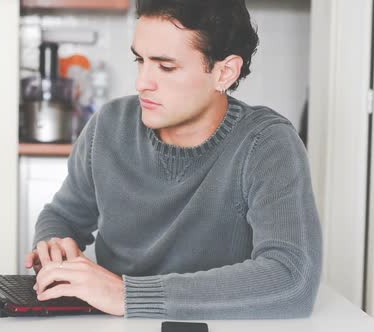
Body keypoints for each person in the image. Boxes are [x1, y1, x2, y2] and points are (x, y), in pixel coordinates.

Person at [24, 0, 322, 319]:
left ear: (224, 72)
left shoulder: (266, 144)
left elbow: (292, 279)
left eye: (166, 67)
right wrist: (54, 243)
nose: (142, 83)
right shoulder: (109, 125)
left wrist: (127, 296)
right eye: (140, 60)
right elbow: (63, 216)